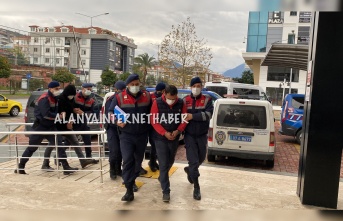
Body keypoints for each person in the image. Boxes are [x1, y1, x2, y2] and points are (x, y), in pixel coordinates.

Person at [15, 81, 78, 175]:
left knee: (59, 145)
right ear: (50, 89)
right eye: (56, 89)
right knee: (32, 148)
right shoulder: (44, 99)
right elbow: (45, 114)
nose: (58, 90)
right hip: (40, 127)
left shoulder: (55, 98)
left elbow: (57, 109)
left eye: (59, 88)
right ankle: (21, 166)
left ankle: (65, 167)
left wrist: (62, 113)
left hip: (51, 127)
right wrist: (58, 116)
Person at [108, 74, 151, 202]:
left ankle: (132, 180)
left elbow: (153, 112)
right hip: (126, 135)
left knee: (137, 161)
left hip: (142, 135)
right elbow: (110, 113)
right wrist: (116, 121)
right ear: (127, 85)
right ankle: (128, 189)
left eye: (137, 84)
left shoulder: (147, 96)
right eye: (132, 84)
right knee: (127, 160)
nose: (135, 87)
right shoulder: (119, 97)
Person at [150, 85, 187, 202]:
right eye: (170, 98)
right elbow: (154, 121)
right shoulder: (157, 102)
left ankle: (162, 177)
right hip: (160, 138)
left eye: (174, 98)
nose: (172, 101)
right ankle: (166, 191)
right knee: (163, 163)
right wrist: (164, 132)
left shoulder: (181, 103)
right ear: (164, 93)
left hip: (174, 137)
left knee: (170, 161)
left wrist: (178, 130)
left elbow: (184, 119)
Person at [183, 77, 213, 200]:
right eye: (194, 86)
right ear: (191, 87)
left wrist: (192, 116)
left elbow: (208, 115)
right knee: (194, 161)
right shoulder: (185, 100)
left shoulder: (207, 100)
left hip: (202, 135)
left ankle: (190, 170)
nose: (196, 88)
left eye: (198, 86)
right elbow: (182, 116)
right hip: (189, 135)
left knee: (201, 158)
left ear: (201, 87)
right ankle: (196, 187)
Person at [55, 84, 94, 169]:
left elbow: (73, 109)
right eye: (88, 89)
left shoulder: (86, 99)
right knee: (53, 144)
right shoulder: (60, 99)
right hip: (60, 126)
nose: (71, 96)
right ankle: (51, 160)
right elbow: (59, 113)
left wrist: (77, 111)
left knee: (77, 142)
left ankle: (83, 160)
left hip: (74, 124)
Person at [104, 80, 126, 180]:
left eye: (123, 90)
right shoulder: (110, 100)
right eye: (119, 90)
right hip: (112, 128)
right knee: (114, 151)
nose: (121, 92)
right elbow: (109, 115)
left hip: (122, 128)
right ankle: (112, 170)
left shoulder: (124, 99)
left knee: (121, 151)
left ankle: (118, 170)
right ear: (115, 90)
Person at [73, 83, 99, 164]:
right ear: (82, 88)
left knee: (88, 141)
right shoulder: (75, 98)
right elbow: (69, 108)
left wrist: (83, 113)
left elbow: (94, 113)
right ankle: (60, 157)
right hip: (74, 123)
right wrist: (74, 111)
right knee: (69, 141)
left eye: (90, 89)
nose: (89, 91)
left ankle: (89, 157)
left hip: (84, 123)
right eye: (88, 89)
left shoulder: (91, 100)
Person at [147, 82, 166, 172]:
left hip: (160, 124)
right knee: (154, 145)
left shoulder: (163, 97)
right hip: (151, 125)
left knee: (156, 146)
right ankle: (152, 162)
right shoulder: (151, 97)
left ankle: (153, 162)